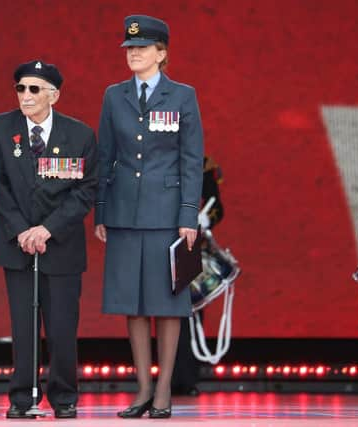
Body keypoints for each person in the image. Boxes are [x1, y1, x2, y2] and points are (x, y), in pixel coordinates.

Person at [94, 15, 204, 418]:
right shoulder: (114, 96)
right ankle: (142, 389)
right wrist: (102, 210)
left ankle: (163, 392)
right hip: (124, 212)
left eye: (142, 48)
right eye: (129, 48)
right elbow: (106, 156)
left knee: (168, 305)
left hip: (167, 214)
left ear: (162, 53)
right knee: (133, 304)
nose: (134, 53)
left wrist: (189, 214)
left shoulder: (183, 96)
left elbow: (192, 159)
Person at [0, 60, 98, 419]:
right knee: (23, 327)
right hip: (17, 244)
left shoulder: (79, 135)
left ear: (54, 94)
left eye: (34, 89)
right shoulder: (1, 129)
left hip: (60, 245)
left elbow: (85, 191)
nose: (26, 95)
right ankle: (21, 398)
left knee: (63, 327)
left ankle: (64, 396)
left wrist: (47, 229)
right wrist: (22, 230)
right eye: (21, 88)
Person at [172, 156, 224, 396]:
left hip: (190, 243)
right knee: (161, 313)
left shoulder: (203, 165)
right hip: (157, 240)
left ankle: (187, 378)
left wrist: (206, 220)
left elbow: (216, 207)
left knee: (190, 314)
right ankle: (165, 379)